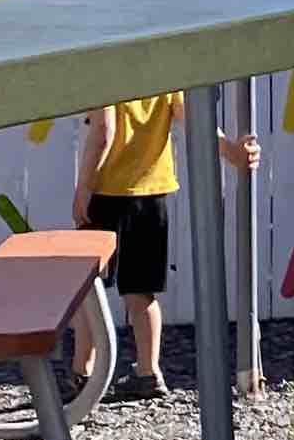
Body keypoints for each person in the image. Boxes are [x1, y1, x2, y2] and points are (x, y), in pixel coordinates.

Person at [71, 92, 259, 402]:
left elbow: (104, 132)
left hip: (106, 194)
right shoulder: (164, 78)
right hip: (152, 195)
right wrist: (234, 155)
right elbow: (196, 123)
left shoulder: (107, 71)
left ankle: (83, 373)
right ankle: (148, 372)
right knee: (142, 291)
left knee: (89, 289)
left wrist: (84, 189)